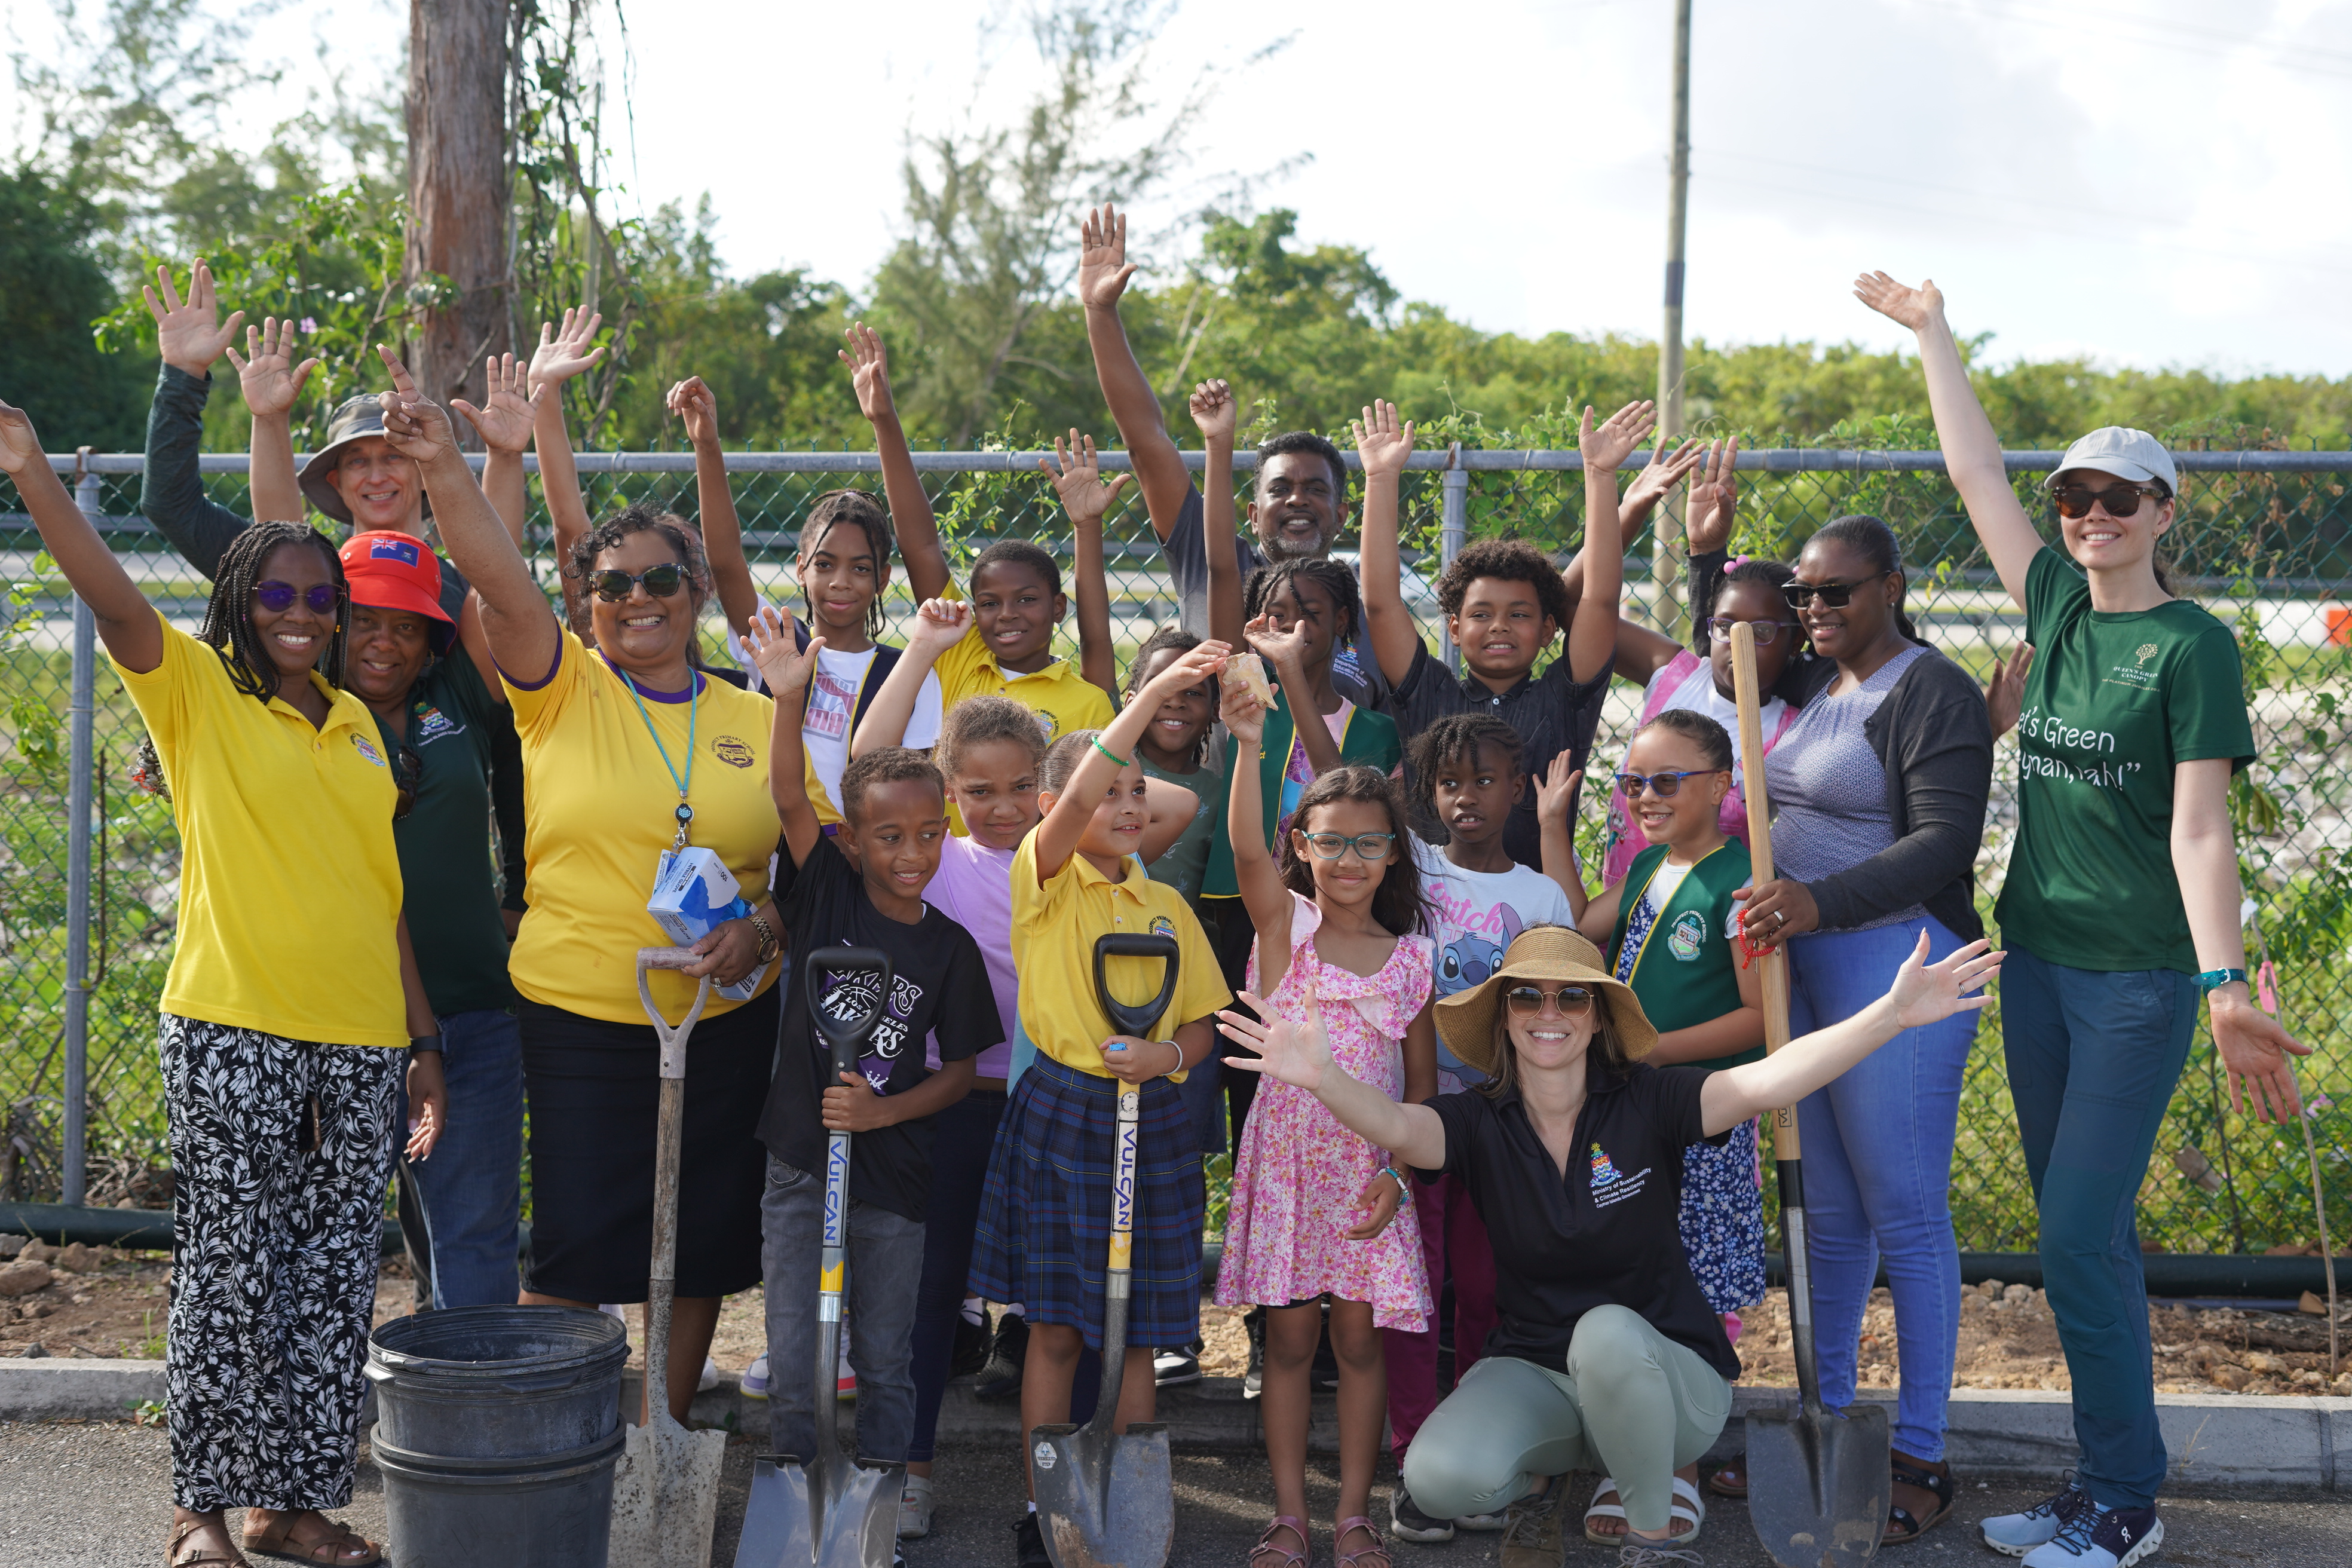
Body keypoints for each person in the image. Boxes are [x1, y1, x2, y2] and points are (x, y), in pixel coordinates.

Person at [1858, 270, 2302, 1568]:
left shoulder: (2193, 646)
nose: (2091, 515)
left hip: (2136, 982)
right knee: (2084, 1239)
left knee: (2069, 1238)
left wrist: (2224, 982)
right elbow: (1973, 475)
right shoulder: (2053, 604)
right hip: (2039, 965)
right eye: (2075, 499)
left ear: (2163, 510)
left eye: (2119, 497)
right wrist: (1935, 334)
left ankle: (2123, 1498)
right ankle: (2096, 1482)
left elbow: (2199, 829)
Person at [0, 400, 444, 1568]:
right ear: (241, 601)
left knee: (333, 1277)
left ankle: (290, 1507)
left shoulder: (361, 725)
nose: (300, 613)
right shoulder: (195, 692)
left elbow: (380, 894)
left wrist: (422, 1042)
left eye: (320, 598)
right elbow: (112, 597)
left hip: (362, 1044)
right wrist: (33, 471)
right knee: (230, 1270)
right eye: (277, 594)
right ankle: (199, 1508)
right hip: (232, 1028)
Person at [1217, 922, 2001, 1568]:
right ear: (1503, 1016)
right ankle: (1556, 1476)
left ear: (1597, 1018)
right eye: (1527, 995)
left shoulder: (1648, 1100)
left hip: (1670, 1380)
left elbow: (1770, 1079)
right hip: (1544, 1374)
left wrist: (1890, 1014)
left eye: (1571, 996)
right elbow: (1398, 1124)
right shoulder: (1480, 1121)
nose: (1548, 1011)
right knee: (1438, 1476)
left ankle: (1653, 1540)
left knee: (1606, 1334)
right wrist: (1322, 1078)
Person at [370, 348, 783, 1426]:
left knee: (700, 1244)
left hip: (724, 1016)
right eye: (613, 585)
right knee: (577, 1245)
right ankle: (539, 1443)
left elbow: (807, 864)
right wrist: (447, 468)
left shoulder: (758, 715)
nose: (638, 599)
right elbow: (496, 575)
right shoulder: (559, 688)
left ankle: (660, 1436)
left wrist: (764, 929)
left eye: (660, 580)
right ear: (585, 603)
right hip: (584, 1019)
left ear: (696, 591)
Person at [1723, 508, 1995, 1544]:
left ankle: (1923, 1452)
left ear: (1892, 587)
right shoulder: (1819, 683)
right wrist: (1706, 553)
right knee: (1831, 1212)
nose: (1815, 608)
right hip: (1809, 968)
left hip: (1900, 964)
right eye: (1803, 593)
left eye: (1837, 591)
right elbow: (1727, 640)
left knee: (1906, 1210)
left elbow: (1944, 840)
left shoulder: (1930, 687)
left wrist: (1816, 901)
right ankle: (1828, 1422)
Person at [966, 642, 1237, 1568]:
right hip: (1063, 1112)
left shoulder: (1165, 906)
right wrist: (1155, 694)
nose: (1125, 807)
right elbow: (1084, 790)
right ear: (1055, 808)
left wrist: (1169, 1055)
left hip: (1151, 1117)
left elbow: (1201, 1020)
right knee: (1055, 1325)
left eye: (1136, 796)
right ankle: (1049, 1511)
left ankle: (1125, 1504)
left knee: (1138, 1331)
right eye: (1105, 793)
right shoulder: (1042, 883)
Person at [740, 610, 996, 1505]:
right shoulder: (826, 895)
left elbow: (959, 1072)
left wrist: (884, 1110)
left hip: (895, 1173)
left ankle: (882, 1498)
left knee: (885, 1351)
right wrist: (788, 698)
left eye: (929, 834)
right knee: (797, 1344)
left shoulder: (949, 949)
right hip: (800, 1160)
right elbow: (788, 796)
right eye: (889, 836)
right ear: (852, 839)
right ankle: (799, 1486)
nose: (912, 853)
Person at [1218, 674, 1436, 1568]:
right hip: (1287, 1168)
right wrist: (1248, 745)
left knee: (1356, 1341)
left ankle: (1352, 1517)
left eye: (1368, 842)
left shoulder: (1412, 960)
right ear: (1302, 847)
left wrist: (1398, 1176)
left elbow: (1420, 1093)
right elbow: (1243, 850)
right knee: (1290, 1341)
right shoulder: (1286, 931)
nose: (1349, 859)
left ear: (1392, 853)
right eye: (1330, 841)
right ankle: (1287, 1519)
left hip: (1366, 1175)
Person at [1568, 710, 1767, 1547]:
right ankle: (1632, 1456)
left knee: (1688, 1288)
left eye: (1665, 781)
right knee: (1625, 1272)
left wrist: (1644, 1048)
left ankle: (1678, 1465)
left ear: (1721, 786)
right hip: (1629, 1111)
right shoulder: (1648, 864)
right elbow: (1579, 928)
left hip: (1698, 1118)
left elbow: (1758, 1017)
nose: (1643, 796)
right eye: (1632, 782)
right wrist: (1551, 825)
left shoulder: (1743, 883)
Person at [1382, 715, 1577, 1545]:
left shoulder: (1541, 898)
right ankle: (1413, 1457)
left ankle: (1477, 1453)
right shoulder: (1413, 869)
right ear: (1428, 793)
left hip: (1504, 1128)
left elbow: (1559, 1010)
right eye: (1450, 782)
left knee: (1489, 1291)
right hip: (1418, 1118)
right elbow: (1339, 798)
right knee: (1412, 1289)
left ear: (1517, 789)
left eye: (1486, 780)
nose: (1468, 797)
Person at [1076, 205, 1385, 703]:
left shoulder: (1364, 604)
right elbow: (1146, 441)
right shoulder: (1209, 556)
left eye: (1316, 489)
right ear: (1253, 513)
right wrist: (1100, 313)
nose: (1298, 500)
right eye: (1280, 489)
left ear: (1344, 513)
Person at [885, 695, 1049, 1537]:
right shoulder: (936, 859)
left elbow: (1163, 804)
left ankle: (1052, 1483)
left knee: (1054, 1301)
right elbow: (868, 763)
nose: (1004, 807)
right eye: (979, 790)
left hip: (1047, 1104)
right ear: (948, 789)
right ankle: (911, 1470)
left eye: (1023, 786)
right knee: (932, 1286)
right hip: (950, 1103)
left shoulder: (1068, 855)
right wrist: (920, 649)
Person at [1359, 398, 1648, 871]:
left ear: (1548, 630)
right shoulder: (1427, 695)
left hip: (1536, 905)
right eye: (1481, 614)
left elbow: (1599, 600)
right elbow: (1381, 604)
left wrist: (1599, 475)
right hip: (1429, 905)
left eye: (1519, 614)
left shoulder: (1565, 700)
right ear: (1454, 629)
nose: (1499, 625)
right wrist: (1381, 477)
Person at [1599, 439, 1812, 886]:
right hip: (1621, 907)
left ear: (1795, 643)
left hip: (1715, 920)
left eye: (1761, 632)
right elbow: (1571, 608)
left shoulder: (1792, 734)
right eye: (1726, 627)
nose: (1738, 643)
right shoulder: (1673, 674)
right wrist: (1629, 509)